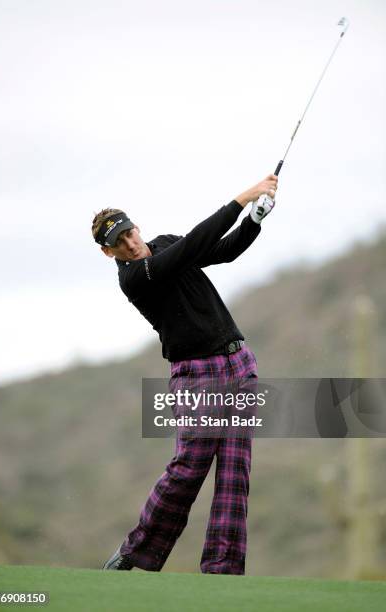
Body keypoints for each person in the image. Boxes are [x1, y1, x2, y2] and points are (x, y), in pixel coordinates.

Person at [92, 173, 278, 575]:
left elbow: (223, 251)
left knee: (234, 471)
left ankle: (223, 570)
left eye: (130, 232)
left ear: (136, 226)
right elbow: (195, 244)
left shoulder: (166, 243)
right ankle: (135, 551)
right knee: (190, 465)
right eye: (118, 243)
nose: (130, 242)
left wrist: (254, 220)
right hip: (196, 374)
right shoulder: (135, 278)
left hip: (239, 363)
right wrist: (242, 198)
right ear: (109, 253)